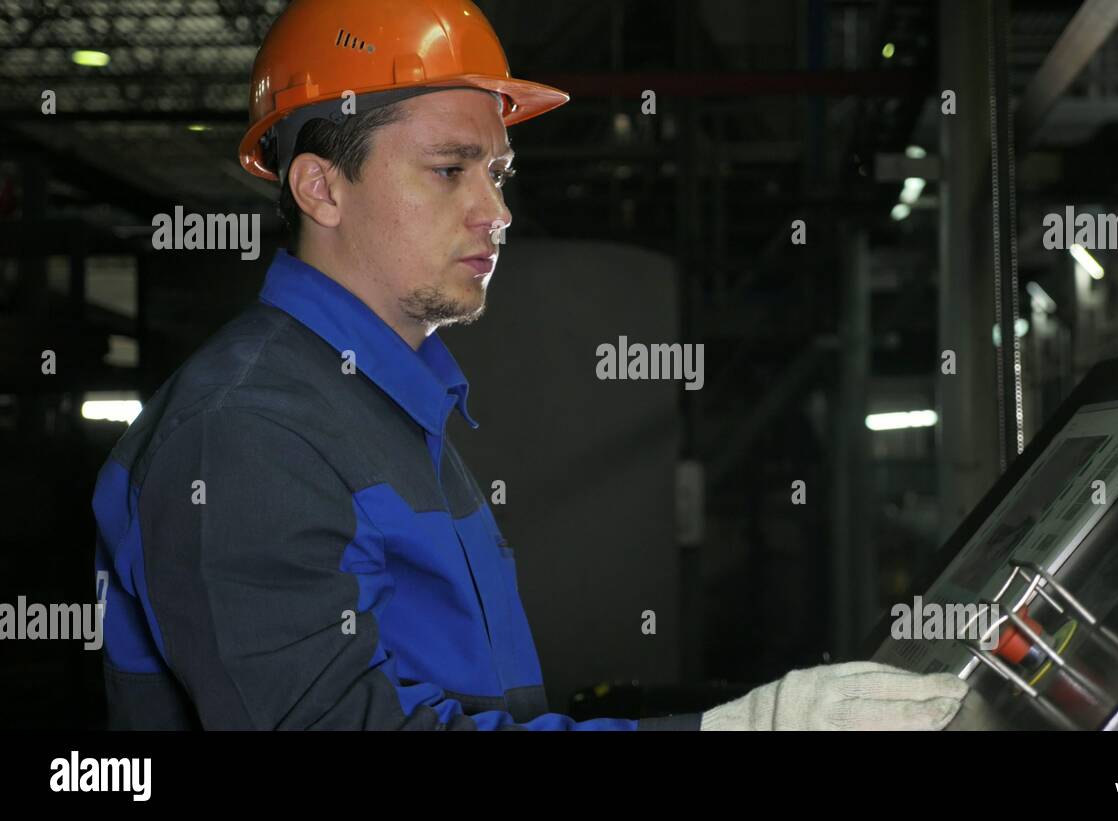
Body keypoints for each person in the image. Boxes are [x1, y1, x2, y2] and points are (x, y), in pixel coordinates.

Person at [91, 0, 967, 731]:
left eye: (500, 172)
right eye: (450, 170)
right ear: (321, 188)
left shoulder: (392, 404)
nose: (497, 211)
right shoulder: (247, 432)